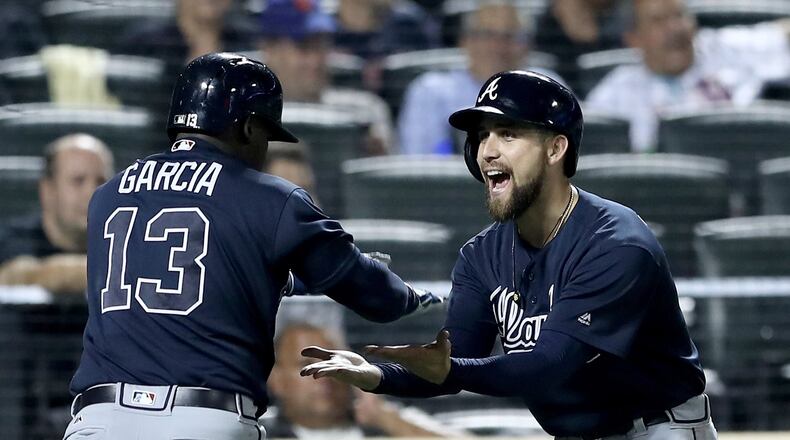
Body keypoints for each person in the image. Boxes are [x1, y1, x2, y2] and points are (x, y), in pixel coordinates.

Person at [301, 70, 718, 440]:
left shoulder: (615, 243)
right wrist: (374, 374)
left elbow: (549, 364)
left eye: (508, 134)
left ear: (556, 149)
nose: (487, 151)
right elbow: (453, 362)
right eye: (482, 135)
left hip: (660, 428)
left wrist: (449, 369)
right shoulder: (482, 255)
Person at [61, 52, 442, 440]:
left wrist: (289, 281)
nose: (265, 148)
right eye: (265, 133)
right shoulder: (269, 198)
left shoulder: (109, 195)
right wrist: (411, 296)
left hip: (100, 420)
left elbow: (198, 272)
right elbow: (376, 298)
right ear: (245, 127)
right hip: (202, 420)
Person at [586, 0, 790, 151]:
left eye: (680, 16)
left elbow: (781, 34)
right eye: (659, 21)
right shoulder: (615, 93)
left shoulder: (725, 49)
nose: (675, 28)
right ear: (633, 38)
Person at [397, 1, 563, 155]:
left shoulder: (547, 86)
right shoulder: (430, 91)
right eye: (487, 35)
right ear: (465, 41)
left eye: (510, 36)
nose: (498, 46)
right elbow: (423, 162)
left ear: (527, 45)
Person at [266, 321, 458, 438]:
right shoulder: (255, 434)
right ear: (276, 380)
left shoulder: (388, 420)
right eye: (305, 364)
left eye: (332, 361)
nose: (325, 374)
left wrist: (387, 420)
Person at [257, 0, 395, 155]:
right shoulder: (245, 115)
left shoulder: (365, 113)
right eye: (304, 48)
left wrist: (376, 155)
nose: (315, 60)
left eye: (321, 46)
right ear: (269, 49)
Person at [0, 134, 113, 294]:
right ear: (48, 190)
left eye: (101, 181)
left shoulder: (128, 241)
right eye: (78, 180)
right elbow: (12, 276)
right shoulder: (9, 242)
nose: (92, 192)